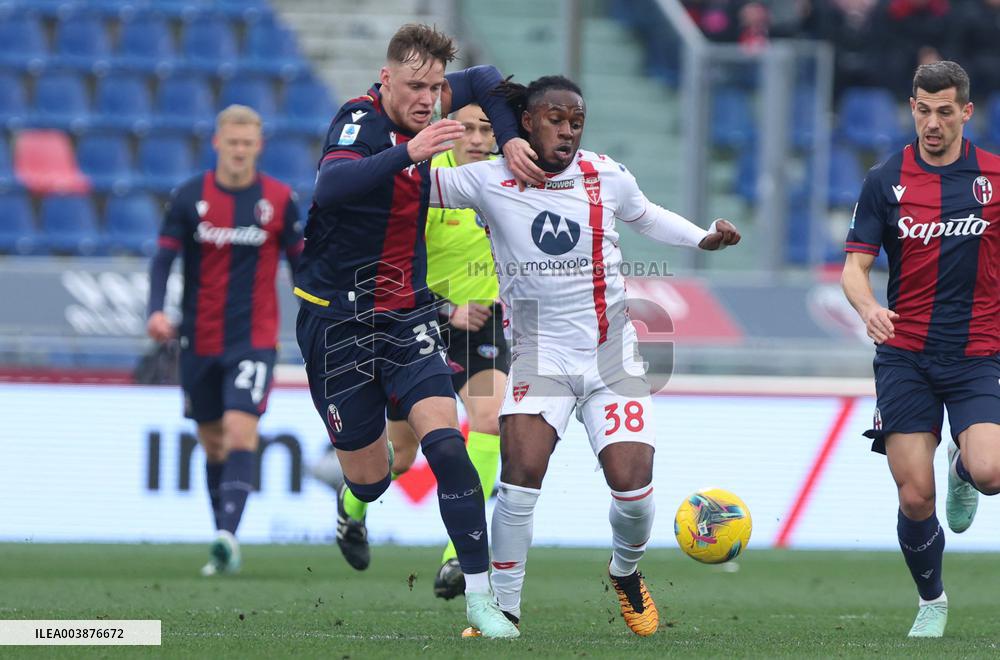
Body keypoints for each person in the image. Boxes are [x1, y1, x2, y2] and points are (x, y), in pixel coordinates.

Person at [428, 75, 740, 637]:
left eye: (576, 121)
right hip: (537, 358)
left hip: (610, 358)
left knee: (633, 488)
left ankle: (625, 572)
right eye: (556, 119)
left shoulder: (606, 174)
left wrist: (701, 239)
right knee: (520, 478)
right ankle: (503, 607)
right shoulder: (486, 178)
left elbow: (645, 215)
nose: (568, 131)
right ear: (526, 122)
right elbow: (407, 190)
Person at [294, 24, 543, 638]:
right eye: (414, 87)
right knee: (376, 475)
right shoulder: (359, 120)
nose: (428, 99)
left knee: (453, 444)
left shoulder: (442, 111)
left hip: (409, 318)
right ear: (385, 80)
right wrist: (409, 151)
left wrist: (509, 140)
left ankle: (481, 599)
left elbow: (485, 81)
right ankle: (352, 507)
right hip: (338, 321)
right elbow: (330, 186)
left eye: (435, 87)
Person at [313, 103, 507, 600]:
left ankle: (457, 558)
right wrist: (445, 309)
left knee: (489, 418)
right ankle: (351, 508)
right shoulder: (422, 179)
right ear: (447, 128)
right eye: (468, 127)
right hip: (412, 321)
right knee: (399, 460)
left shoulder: (509, 177)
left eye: (488, 129)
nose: (480, 138)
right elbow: (390, 260)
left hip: (481, 325)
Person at [841, 60, 1000, 638]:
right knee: (914, 495)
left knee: (991, 473)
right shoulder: (886, 179)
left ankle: (964, 462)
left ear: (966, 111)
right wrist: (866, 307)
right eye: (922, 110)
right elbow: (854, 267)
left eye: (944, 111)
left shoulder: (994, 178)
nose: (932, 123)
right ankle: (931, 600)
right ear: (912, 107)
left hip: (979, 352)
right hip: (905, 352)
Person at [147, 104, 304, 576]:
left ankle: (228, 535)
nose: (239, 151)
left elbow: (302, 267)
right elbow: (162, 260)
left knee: (241, 431)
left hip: (254, 339)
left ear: (259, 146)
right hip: (199, 339)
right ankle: (224, 539)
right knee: (213, 442)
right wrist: (156, 310)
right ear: (218, 144)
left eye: (247, 143)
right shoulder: (188, 197)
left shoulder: (278, 200)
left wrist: (320, 316)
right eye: (232, 142)